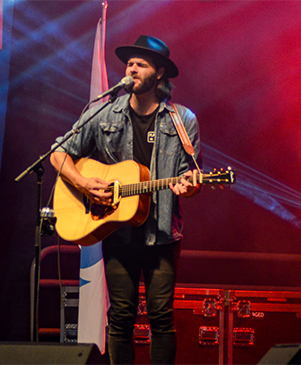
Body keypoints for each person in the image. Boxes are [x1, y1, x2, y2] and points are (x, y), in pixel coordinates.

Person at [50, 35, 202, 364]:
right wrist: (84, 183)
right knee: (120, 317)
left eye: (140, 64)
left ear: (159, 74)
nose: (131, 68)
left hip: (162, 234)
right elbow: (58, 153)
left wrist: (189, 186)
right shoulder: (103, 114)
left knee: (161, 318)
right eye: (129, 63)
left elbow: (191, 177)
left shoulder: (183, 120)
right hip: (118, 233)